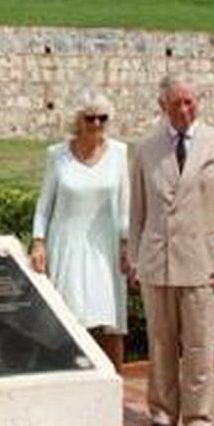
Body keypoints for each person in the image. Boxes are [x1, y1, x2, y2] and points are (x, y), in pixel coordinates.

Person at [128, 74, 214, 426]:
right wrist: (134, 260)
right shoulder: (146, 150)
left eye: (190, 102)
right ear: (163, 106)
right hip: (157, 263)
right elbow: (137, 213)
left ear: (199, 103)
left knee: (198, 345)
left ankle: (197, 419)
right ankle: (162, 414)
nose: (184, 109)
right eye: (176, 103)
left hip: (203, 265)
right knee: (160, 343)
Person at [30, 90, 130, 373]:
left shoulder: (120, 153)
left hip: (105, 249)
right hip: (67, 247)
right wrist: (38, 242)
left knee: (110, 324)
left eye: (103, 118)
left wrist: (126, 244)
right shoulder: (57, 156)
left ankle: (113, 388)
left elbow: (125, 204)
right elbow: (44, 205)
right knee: (66, 321)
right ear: (78, 120)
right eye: (90, 118)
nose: (97, 124)